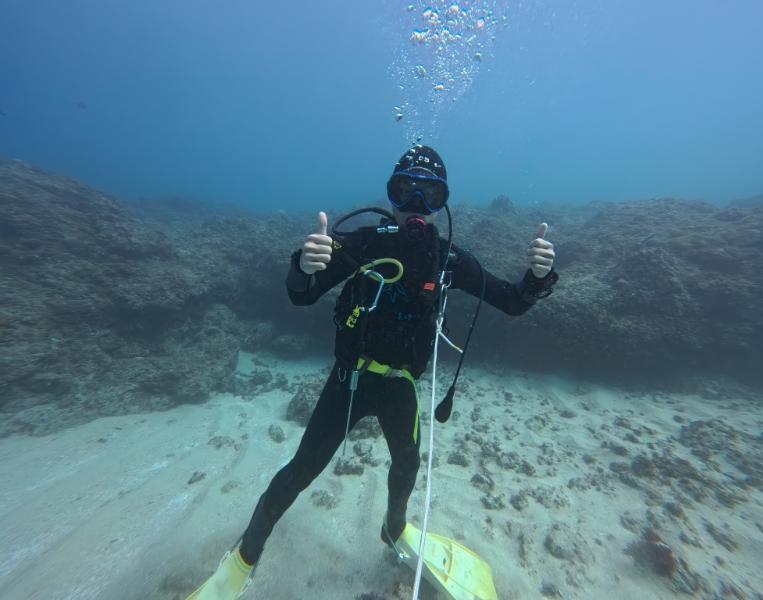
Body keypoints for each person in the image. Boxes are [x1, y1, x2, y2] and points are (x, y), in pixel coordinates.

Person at [186, 145, 558, 600]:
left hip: (401, 386)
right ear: (391, 194)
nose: (415, 205)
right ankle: (245, 555)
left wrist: (538, 277)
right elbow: (303, 294)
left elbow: (512, 301)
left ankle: (393, 529)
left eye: (429, 194)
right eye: (405, 191)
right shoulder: (365, 244)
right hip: (350, 381)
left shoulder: (448, 259)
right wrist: (301, 266)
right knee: (301, 469)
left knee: (407, 463)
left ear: (441, 202)